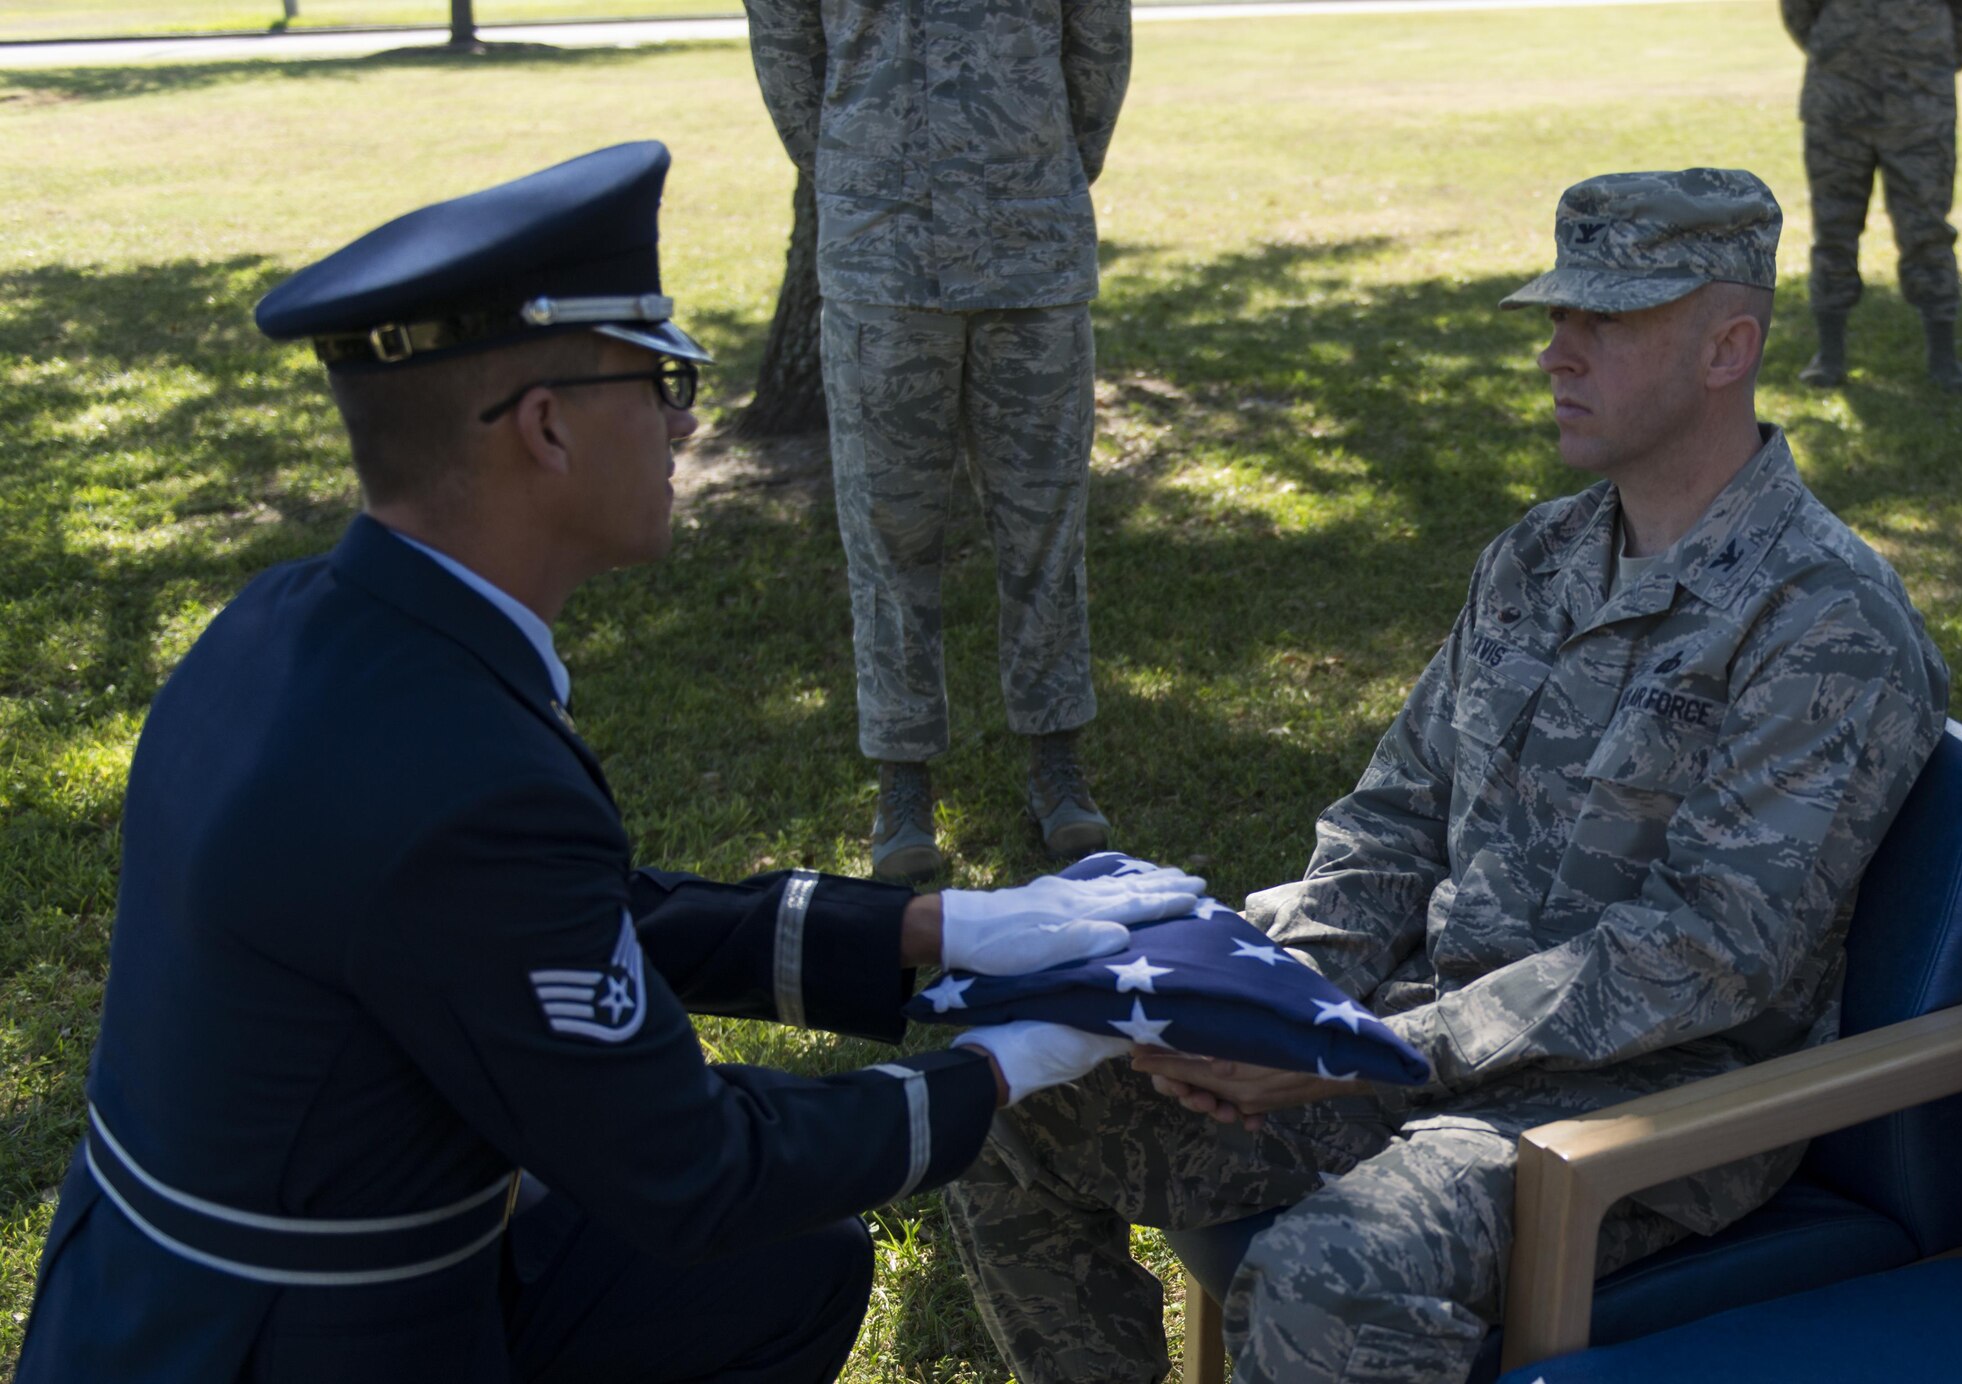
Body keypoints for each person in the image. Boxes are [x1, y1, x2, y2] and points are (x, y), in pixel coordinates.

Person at [13, 141, 1196, 1384]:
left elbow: (545, 924)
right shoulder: (464, 775)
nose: (686, 420)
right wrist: (1002, 1065)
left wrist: (940, 928)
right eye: (664, 379)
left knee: (788, 1269)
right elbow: (692, 1172)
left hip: (176, 1290)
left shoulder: (292, 622)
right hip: (297, 1347)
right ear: (548, 429)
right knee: (747, 1239)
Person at [944, 168, 1951, 1384]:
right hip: (1412, 1038)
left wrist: (1370, 1045)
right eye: (1553, 318)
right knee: (1000, 1101)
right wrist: (1284, 998)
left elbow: (1706, 957)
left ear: (1724, 348)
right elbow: (1392, 817)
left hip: (1631, 1111)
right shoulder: (1536, 555)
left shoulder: (1822, 620)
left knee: (1331, 1279)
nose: (1555, 354)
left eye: (1606, 321)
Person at [743, 0, 1133, 881]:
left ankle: (1056, 761)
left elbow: (1098, 45)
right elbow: (785, 45)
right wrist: (858, 165)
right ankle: (902, 780)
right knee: (889, 535)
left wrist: (1038, 164)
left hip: (1030, 248)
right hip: (884, 257)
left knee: (1044, 526)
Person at [1781, 0, 1962, 392]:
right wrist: (1840, 51)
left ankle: (1944, 358)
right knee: (1833, 228)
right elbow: (1797, 10)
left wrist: (1933, 56)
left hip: (1920, 105)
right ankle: (1829, 355)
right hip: (1837, 101)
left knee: (1928, 231)